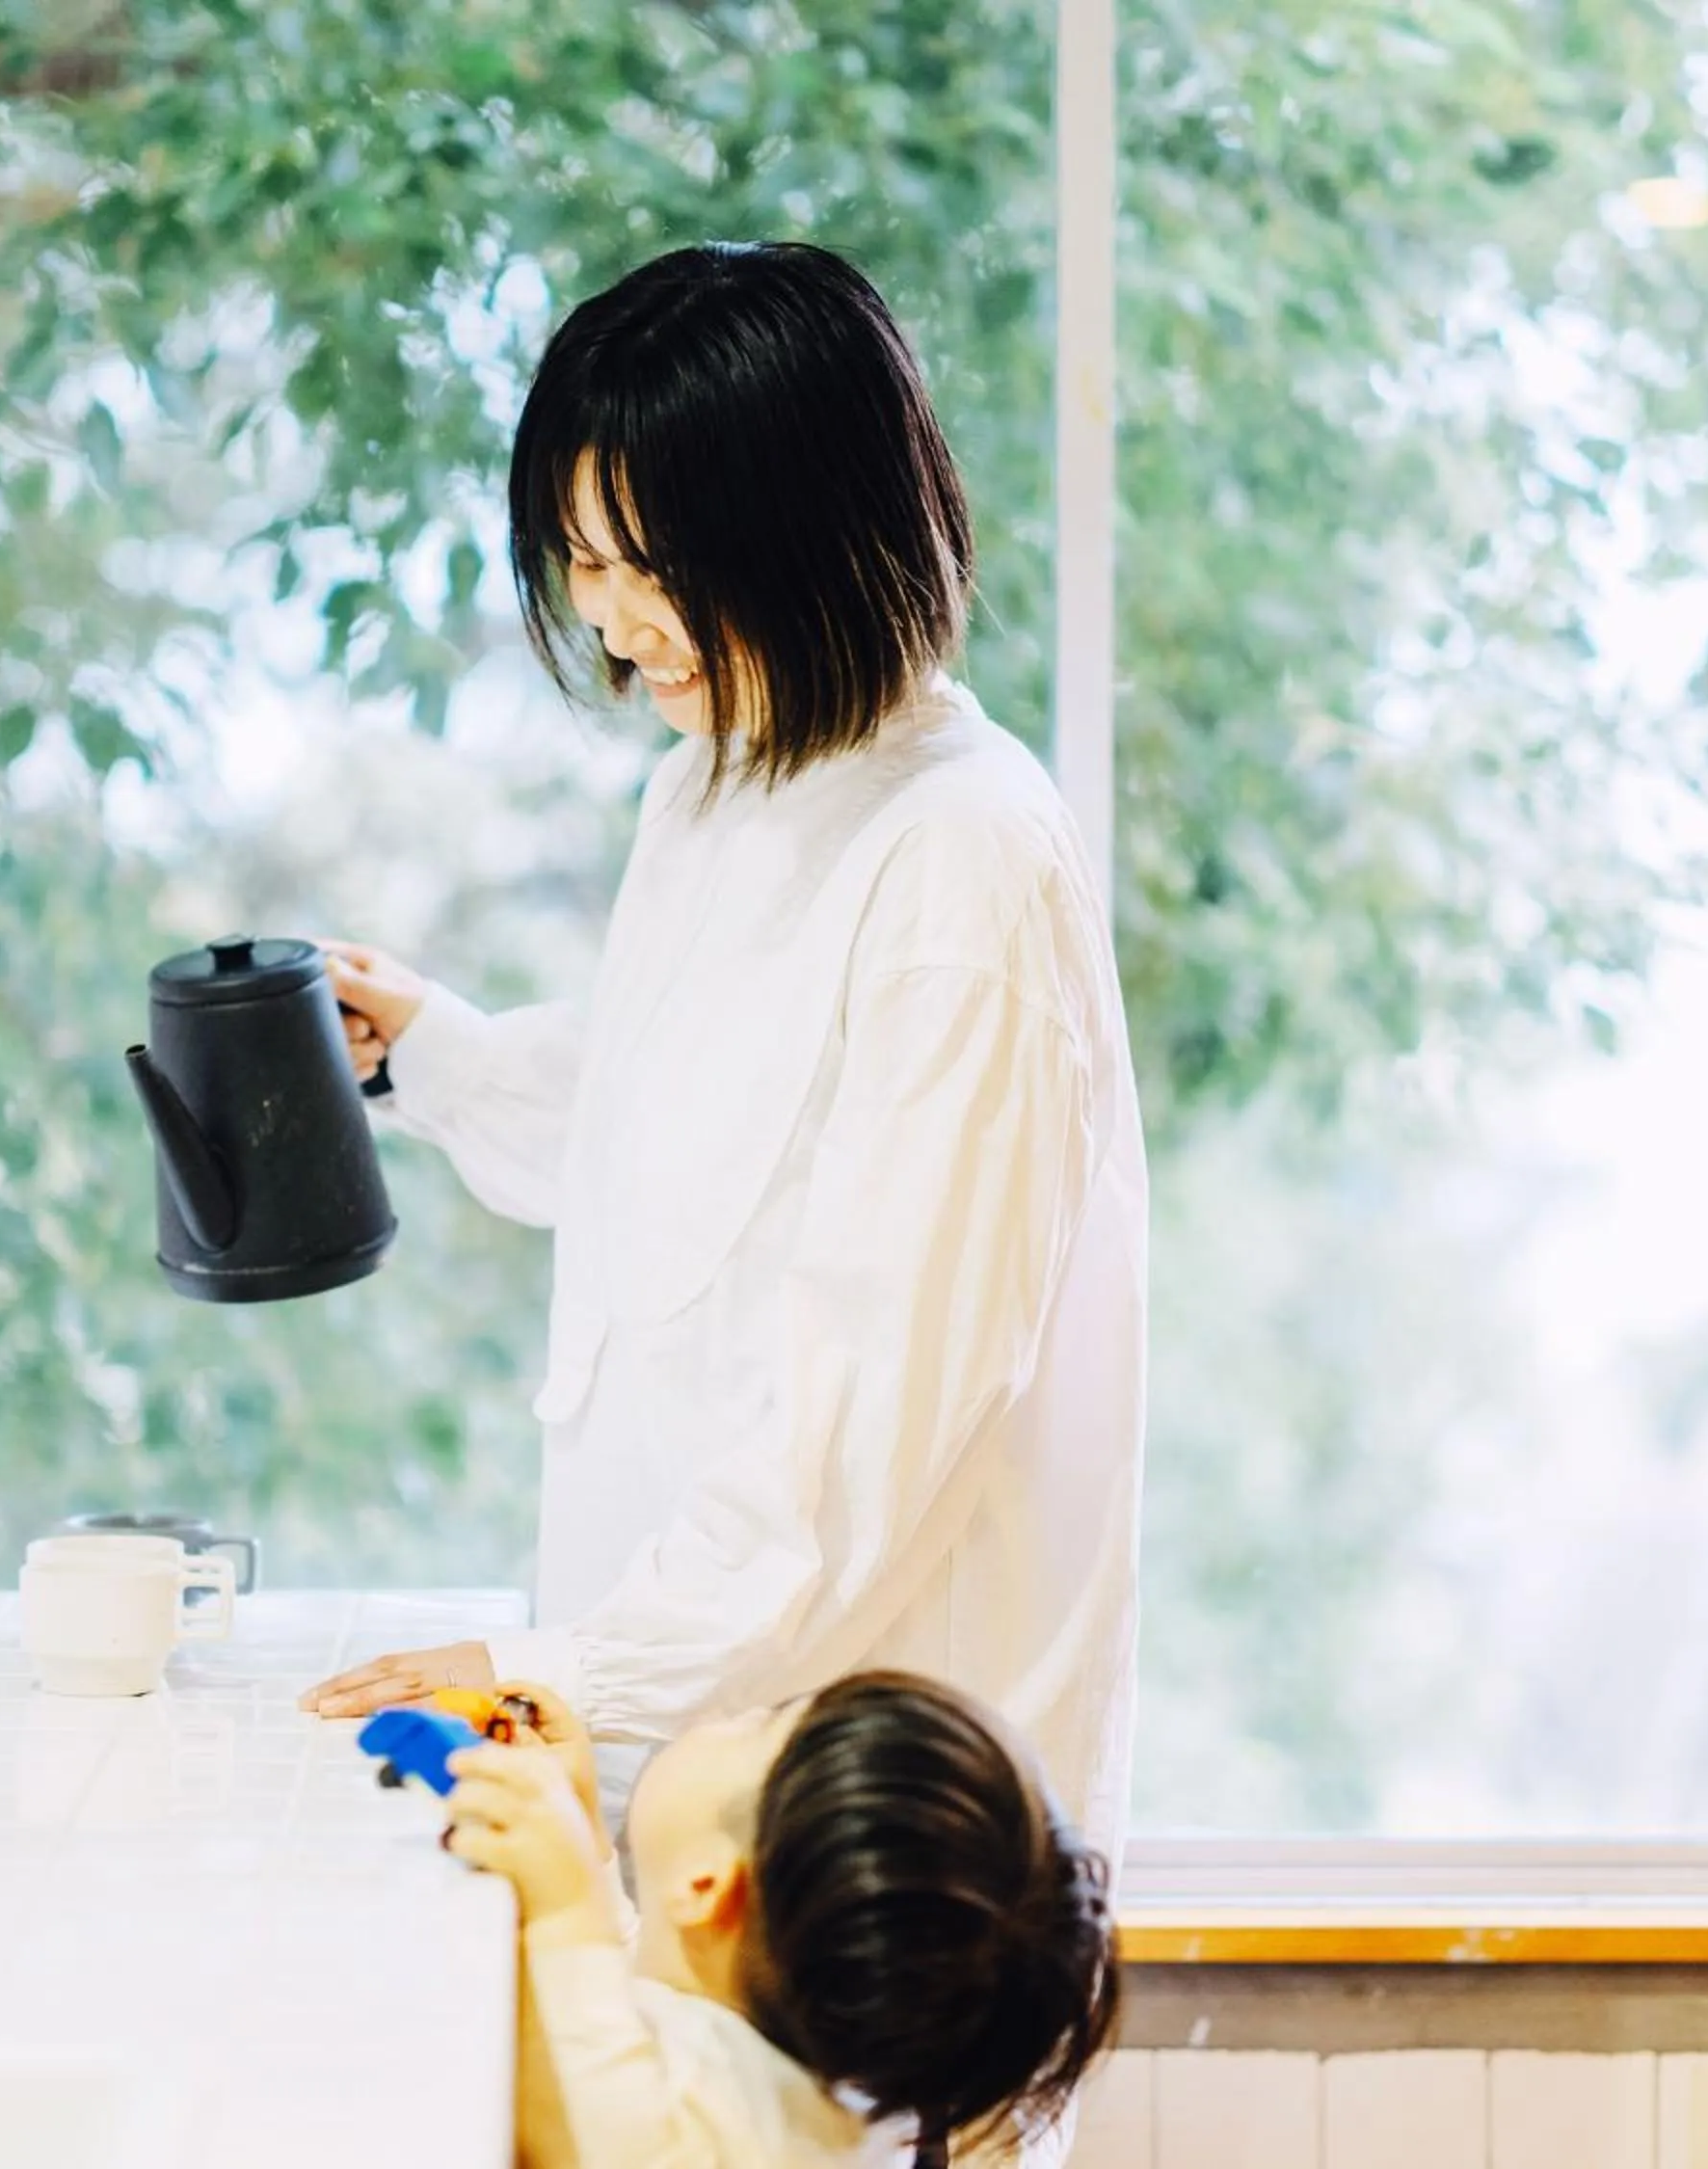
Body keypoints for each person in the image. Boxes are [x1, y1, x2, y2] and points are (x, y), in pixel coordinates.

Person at [301, 241, 1148, 1872]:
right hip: (684, 1754)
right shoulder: (718, 780)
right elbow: (678, 1151)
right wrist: (443, 1058)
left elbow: (884, 1403)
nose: (612, 626)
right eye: (578, 560)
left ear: (813, 529)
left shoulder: (962, 855)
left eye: (646, 564)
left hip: (881, 1820)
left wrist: (560, 1674)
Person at [443, 1674, 1120, 2166]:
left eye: (756, 1723)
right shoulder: (820, 2087)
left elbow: (595, 2124)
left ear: (706, 1884)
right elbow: (649, 2008)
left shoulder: (745, 2138)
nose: (731, 1715)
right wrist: (585, 1847)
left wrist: (565, 1916)